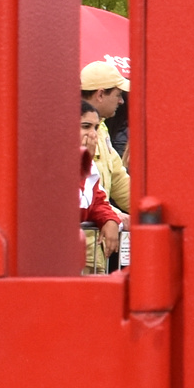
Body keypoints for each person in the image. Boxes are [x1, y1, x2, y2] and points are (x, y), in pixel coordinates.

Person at [82, 59, 131, 214]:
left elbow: (119, 179)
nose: (121, 101)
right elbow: (78, 190)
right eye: (118, 95)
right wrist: (115, 216)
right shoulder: (69, 129)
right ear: (100, 94)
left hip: (99, 225)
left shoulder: (102, 128)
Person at [80, 107, 124, 272]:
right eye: (86, 126)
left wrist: (110, 219)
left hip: (87, 256)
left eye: (96, 128)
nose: (93, 134)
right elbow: (75, 203)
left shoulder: (87, 163)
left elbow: (97, 198)